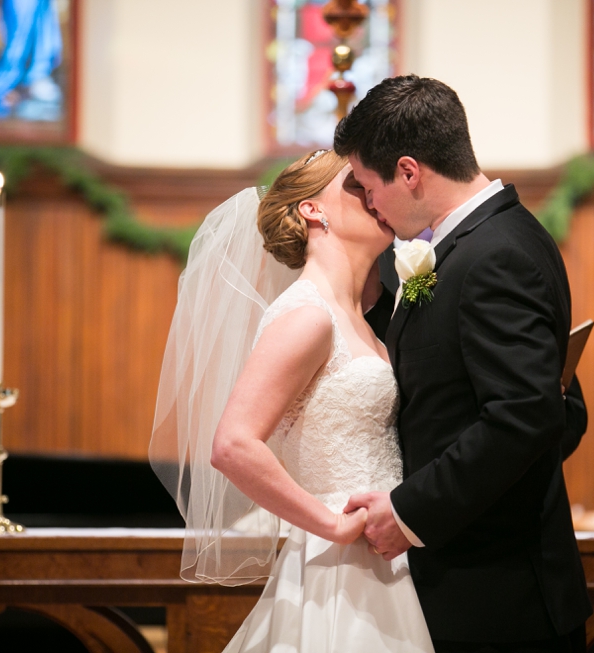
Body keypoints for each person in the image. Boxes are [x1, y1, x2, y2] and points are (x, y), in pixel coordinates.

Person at [335, 75, 592, 653]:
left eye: (370, 185)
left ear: (409, 171)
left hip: (500, 601)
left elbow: (526, 415)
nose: (369, 202)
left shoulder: (493, 255)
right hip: (481, 584)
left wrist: (408, 511)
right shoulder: (489, 239)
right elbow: (558, 408)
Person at [150, 149, 434, 652]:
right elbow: (233, 444)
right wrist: (330, 523)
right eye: (355, 185)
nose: (373, 194)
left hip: (388, 556)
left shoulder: (365, 323)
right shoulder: (308, 316)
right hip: (342, 564)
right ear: (311, 210)